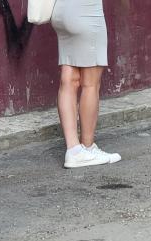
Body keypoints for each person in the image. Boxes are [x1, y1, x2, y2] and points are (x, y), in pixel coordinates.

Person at [51, 0, 120, 168]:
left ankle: (73, 150)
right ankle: (87, 148)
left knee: (68, 80)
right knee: (90, 84)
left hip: (61, 12)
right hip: (86, 11)